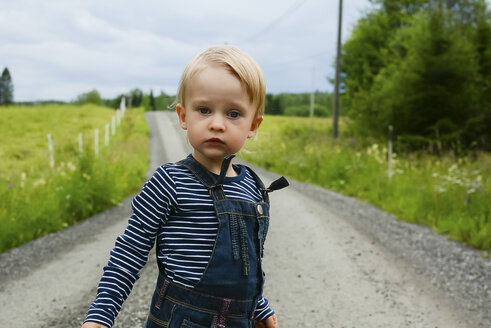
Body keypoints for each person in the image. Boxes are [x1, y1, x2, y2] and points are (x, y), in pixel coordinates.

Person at [81, 45, 288, 328]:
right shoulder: (170, 182)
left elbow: (244, 264)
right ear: (183, 116)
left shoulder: (252, 187)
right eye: (204, 110)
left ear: (253, 125)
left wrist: (259, 307)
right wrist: (100, 317)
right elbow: (129, 252)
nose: (217, 124)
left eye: (233, 114)